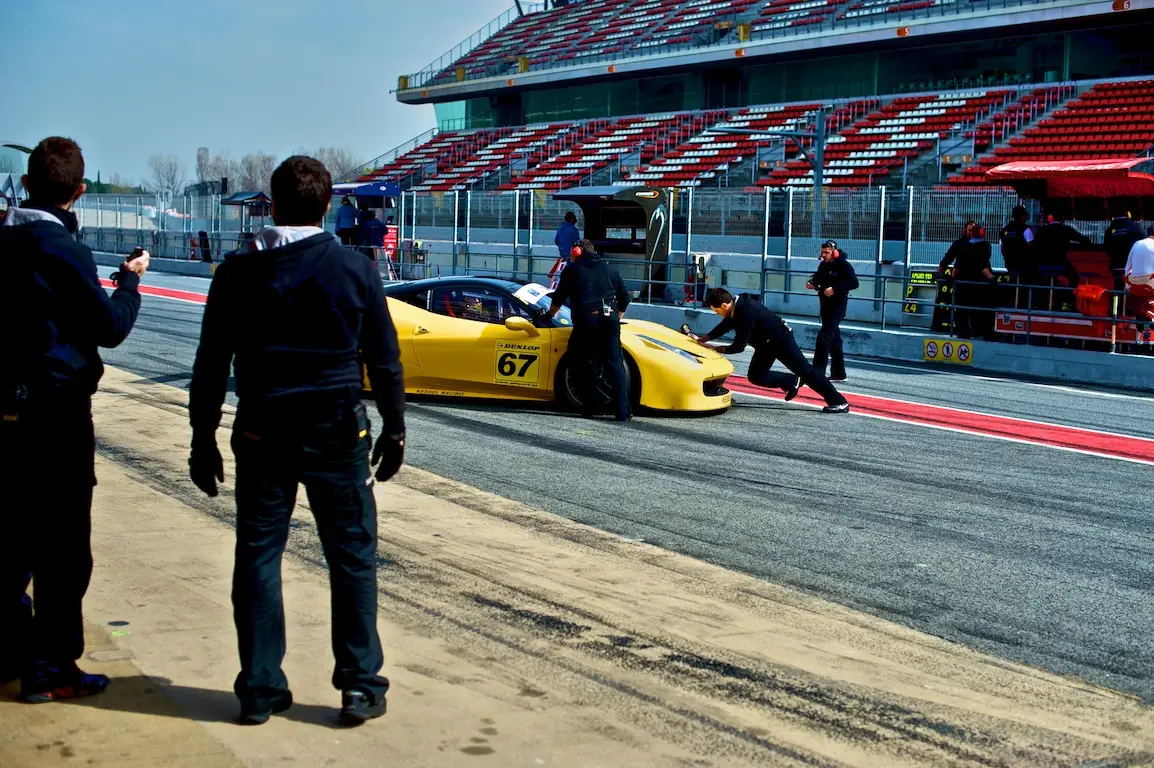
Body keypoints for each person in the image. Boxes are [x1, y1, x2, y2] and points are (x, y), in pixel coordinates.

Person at [187, 156, 406, 727]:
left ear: (273, 204)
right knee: (352, 558)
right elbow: (384, 359)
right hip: (336, 428)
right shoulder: (355, 268)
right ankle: (359, 685)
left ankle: (259, 688)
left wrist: (201, 436)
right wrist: (396, 426)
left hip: (262, 427)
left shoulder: (237, 272)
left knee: (258, 556)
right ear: (328, 206)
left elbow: (211, 363)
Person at [0, 136, 149, 702]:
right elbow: (109, 327)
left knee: (9, 539)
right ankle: (51, 667)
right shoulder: (62, 249)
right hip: (55, 415)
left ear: (28, 185)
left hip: (5, 412)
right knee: (62, 549)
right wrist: (130, 281)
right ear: (78, 192)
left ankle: (8, 654)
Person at [696, 288, 849, 414]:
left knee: (806, 371)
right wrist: (705, 337)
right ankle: (791, 381)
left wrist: (715, 349)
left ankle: (839, 402)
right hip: (766, 344)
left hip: (780, 339)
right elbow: (726, 324)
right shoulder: (737, 306)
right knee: (756, 376)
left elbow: (739, 346)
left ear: (723, 305)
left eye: (715, 310)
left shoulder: (746, 311)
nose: (716, 313)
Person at [545, 239, 632, 422]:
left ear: (577, 252)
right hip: (610, 321)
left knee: (578, 361)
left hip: (587, 322)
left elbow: (559, 297)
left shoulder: (572, 270)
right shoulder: (610, 269)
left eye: (571, 254)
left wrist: (549, 315)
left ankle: (590, 406)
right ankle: (623, 412)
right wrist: (618, 316)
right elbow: (625, 296)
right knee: (615, 365)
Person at [805, 240, 858, 382]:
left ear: (834, 252)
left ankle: (817, 372)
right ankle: (839, 374)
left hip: (837, 307)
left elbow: (854, 282)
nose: (823, 255)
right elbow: (819, 278)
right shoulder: (823, 265)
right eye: (822, 252)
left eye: (826, 252)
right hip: (825, 306)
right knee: (834, 341)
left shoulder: (843, 265)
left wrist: (835, 289)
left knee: (824, 337)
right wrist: (813, 284)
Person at [938, 223, 996, 340]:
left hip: (968, 282)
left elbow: (957, 266)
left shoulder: (965, 247)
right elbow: (982, 265)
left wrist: (952, 276)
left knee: (968, 309)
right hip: (973, 282)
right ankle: (971, 332)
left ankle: (970, 331)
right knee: (970, 309)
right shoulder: (980, 246)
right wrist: (991, 278)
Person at [998, 206, 1035, 285]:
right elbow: (1031, 246)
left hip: (1009, 263)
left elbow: (1002, 248)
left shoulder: (1005, 230)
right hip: (1024, 265)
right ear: (1023, 216)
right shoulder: (1026, 229)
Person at [1124, 227, 1154, 322]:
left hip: (1133, 285)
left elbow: (1127, 268)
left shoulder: (1136, 243)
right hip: (1149, 285)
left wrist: (1127, 285)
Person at [1104, 210, 1145, 277]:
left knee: (1118, 283)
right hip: (1132, 265)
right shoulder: (1135, 226)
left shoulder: (1109, 230)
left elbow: (1107, 247)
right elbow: (1144, 242)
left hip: (1115, 265)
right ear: (1128, 215)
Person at [550, 211, 581, 289]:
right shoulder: (573, 230)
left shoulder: (560, 228)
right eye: (574, 218)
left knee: (564, 272)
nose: (575, 220)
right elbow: (577, 244)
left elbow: (556, 241)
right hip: (571, 255)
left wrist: (562, 247)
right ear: (571, 219)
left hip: (562, 254)